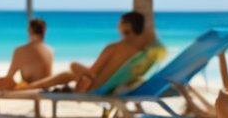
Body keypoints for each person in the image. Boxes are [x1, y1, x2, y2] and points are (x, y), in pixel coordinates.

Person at [23, 12, 153, 93]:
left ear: (127, 25)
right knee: (66, 75)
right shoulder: (140, 51)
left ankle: (27, 87)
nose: (117, 25)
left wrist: (81, 75)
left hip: (96, 87)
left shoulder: (114, 47)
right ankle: (29, 87)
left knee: (73, 65)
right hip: (110, 85)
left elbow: (93, 72)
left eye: (120, 23)